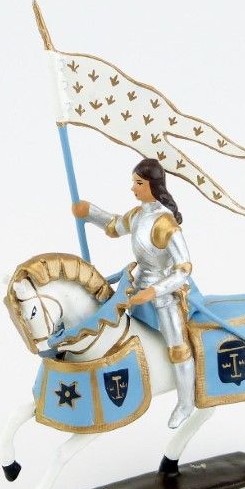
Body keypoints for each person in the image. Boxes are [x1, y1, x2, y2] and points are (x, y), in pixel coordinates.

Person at [72, 158, 195, 428]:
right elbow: (114, 225)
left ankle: (186, 403)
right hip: (135, 285)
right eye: (133, 182)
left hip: (164, 295)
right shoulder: (138, 215)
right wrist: (89, 212)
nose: (133, 188)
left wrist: (154, 292)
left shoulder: (165, 223)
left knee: (177, 347)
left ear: (153, 186)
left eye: (138, 183)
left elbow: (183, 268)